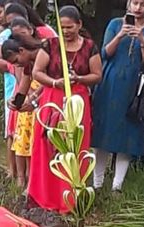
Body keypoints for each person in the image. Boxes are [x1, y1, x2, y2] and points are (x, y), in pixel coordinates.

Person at [29, 6, 102, 213]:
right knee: (48, 145)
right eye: (62, 28)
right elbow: (36, 72)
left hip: (78, 100)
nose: (66, 31)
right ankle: (45, 196)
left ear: (79, 25)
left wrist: (78, 79)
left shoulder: (89, 47)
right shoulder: (50, 45)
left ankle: (71, 198)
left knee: (74, 145)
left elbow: (97, 75)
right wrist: (54, 82)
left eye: (70, 27)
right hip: (53, 98)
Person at [91, 0, 144, 192]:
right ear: (129, 4)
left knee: (128, 133)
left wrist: (142, 41)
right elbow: (105, 53)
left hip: (135, 88)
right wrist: (120, 35)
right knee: (103, 131)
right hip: (110, 84)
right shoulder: (114, 24)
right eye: (135, 3)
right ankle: (97, 183)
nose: (138, 8)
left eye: (143, 4)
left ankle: (117, 186)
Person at [2, 31, 45, 190]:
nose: (17, 65)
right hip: (34, 104)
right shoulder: (28, 65)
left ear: (22, 51)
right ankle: (31, 182)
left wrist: (33, 100)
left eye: (16, 61)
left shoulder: (44, 56)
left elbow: (47, 85)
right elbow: (23, 87)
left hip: (48, 105)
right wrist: (16, 102)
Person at [0, 3, 30, 183]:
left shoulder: (36, 42)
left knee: (29, 136)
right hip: (15, 89)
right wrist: (13, 66)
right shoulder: (4, 38)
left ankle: (29, 176)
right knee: (13, 132)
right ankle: (14, 172)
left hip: (31, 92)